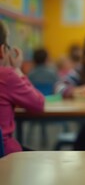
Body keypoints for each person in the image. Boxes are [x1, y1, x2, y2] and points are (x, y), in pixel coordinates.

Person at [0, 20, 44, 155]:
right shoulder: (6, 76)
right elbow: (38, 104)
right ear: (2, 50)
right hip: (5, 155)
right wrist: (17, 70)